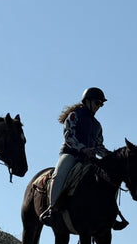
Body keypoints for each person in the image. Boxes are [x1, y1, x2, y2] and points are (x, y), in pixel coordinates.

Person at [42, 87, 108, 222]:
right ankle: (52, 209)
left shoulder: (97, 125)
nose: (99, 107)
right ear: (88, 101)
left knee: (107, 178)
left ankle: (109, 214)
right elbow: (68, 135)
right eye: (97, 103)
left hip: (89, 160)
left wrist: (111, 157)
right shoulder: (74, 114)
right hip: (70, 154)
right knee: (59, 174)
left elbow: (99, 146)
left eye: (101, 104)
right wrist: (83, 149)